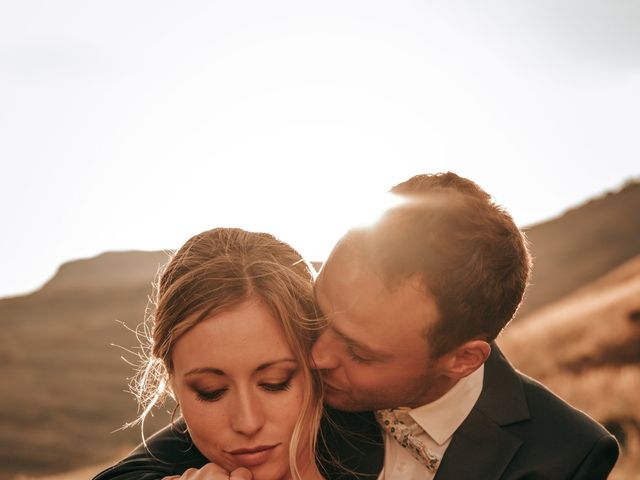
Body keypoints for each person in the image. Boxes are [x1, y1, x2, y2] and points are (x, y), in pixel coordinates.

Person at [96, 173, 619, 479]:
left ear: (462, 359)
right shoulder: (301, 392)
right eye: (321, 314)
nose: (316, 355)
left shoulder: (565, 455)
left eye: (359, 349)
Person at [94, 227, 327, 480]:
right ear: (172, 382)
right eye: (210, 390)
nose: (247, 423)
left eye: (275, 382)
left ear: (320, 363)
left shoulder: (374, 440)